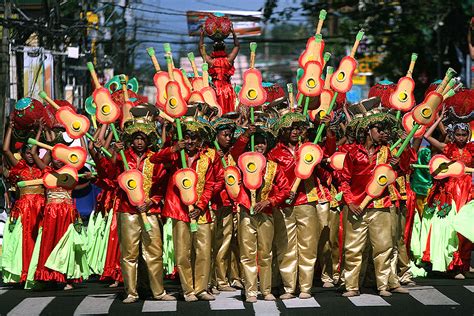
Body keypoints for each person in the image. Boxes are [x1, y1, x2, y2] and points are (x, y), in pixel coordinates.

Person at [102, 117, 175, 303]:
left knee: (154, 253)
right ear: (130, 140)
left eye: (142, 138)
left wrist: (151, 201)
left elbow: (162, 183)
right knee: (129, 254)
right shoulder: (122, 157)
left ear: (148, 139)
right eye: (136, 138)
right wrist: (114, 155)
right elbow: (110, 177)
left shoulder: (154, 158)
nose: (139, 142)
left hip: (150, 211)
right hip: (128, 211)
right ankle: (131, 292)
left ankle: (158, 291)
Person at [339, 111, 411, 297]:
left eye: (385, 130)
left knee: (383, 247)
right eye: (379, 129)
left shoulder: (388, 151)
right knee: (353, 248)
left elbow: (404, 171)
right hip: (357, 207)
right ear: (368, 131)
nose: (383, 133)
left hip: (382, 205)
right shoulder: (353, 152)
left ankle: (383, 286)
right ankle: (352, 286)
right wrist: (349, 201)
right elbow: (344, 180)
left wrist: (398, 164)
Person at [267, 112, 335, 299]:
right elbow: (271, 180)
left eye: (298, 128)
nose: (295, 131)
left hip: (306, 201)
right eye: (291, 128)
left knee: (308, 246)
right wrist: (281, 194)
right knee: (286, 246)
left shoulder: (308, 149)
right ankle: (289, 287)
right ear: (282, 130)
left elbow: (329, 152)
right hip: (284, 204)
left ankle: (305, 288)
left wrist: (328, 129)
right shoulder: (274, 154)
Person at [150, 120, 215, 302]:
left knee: (203, 252)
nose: (190, 142)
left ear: (200, 141)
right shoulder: (175, 157)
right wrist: (173, 149)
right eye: (187, 138)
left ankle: (201, 289)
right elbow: (154, 159)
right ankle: (188, 290)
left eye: (194, 139)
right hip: (179, 211)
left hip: (201, 213)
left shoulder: (206, 160)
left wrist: (201, 206)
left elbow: (209, 185)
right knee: (182, 253)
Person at [238, 130, 290, 302]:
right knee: (247, 254)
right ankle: (251, 291)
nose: (260, 145)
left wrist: (269, 201)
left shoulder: (274, 167)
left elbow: (285, 189)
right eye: (256, 142)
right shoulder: (242, 163)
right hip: (246, 213)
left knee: (265, 253)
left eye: (263, 142)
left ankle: (266, 290)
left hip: (266, 215)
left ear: (268, 145)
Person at [423, 115, 474, 278]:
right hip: (450, 190)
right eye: (458, 134)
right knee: (451, 227)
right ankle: (453, 264)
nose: (461, 137)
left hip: (468, 190)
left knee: (466, 227)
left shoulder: (471, 149)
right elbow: (427, 136)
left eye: (464, 135)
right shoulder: (447, 148)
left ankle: (464, 264)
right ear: (453, 134)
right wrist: (438, 121)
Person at [210, 118, 254, 292]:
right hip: (217, 204)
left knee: (235, 243)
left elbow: (239, 148)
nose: (228, 138)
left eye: (230, 135)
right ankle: (219, 280)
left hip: (233, 204)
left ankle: (234, 277)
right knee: (220, 243)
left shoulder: (231, 154)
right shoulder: (210, 154)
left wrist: (246, 134)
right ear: (216, 136)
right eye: (225, 135)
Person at [1, 120, 45, 283]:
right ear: (23, 153)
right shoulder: (19, 167)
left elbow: (51, 149)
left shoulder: (42, 166)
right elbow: (5, 149)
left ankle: (39, 274)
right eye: (27, 153)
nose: (30, 155)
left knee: (39, 241)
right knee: (24, 241)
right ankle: (24, 273)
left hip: (40, 207)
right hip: (24, 208)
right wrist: (11, 128)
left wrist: (41, 131)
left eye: (33, 152)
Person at [200, 25, 239, 114]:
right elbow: (237, 46)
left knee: (216, 113)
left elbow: (201, 49)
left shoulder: (211, 62)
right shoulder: (229, 60)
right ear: (224, 48)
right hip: (228, 90)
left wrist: (202, 35)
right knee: (229, 111)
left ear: (213, 48)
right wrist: (233, 33)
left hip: (215, 89)